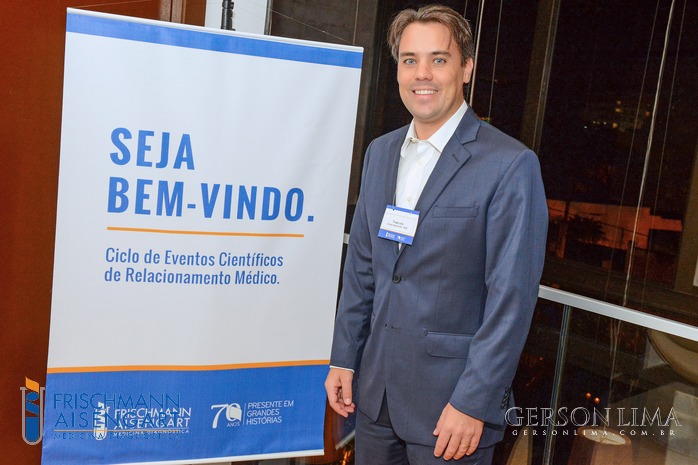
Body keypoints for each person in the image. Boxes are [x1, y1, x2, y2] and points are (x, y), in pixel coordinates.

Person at [325, 4, 548, 465]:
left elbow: (510, 298)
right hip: (375, 399)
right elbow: (363, 268)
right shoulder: (380, 153)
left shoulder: (509, 165)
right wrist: (344, 357)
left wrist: (473, 402)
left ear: (466, 68)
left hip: (452, 412)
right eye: (410, 60)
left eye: (439, 59)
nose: (422, 74)